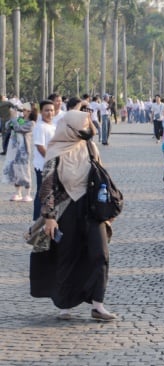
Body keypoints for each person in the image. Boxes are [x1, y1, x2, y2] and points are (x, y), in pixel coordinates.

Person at [31, 110, 117, 321]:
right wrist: (49, 217)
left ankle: (98, 304)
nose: (87, 129)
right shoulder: (55, 151)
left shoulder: (90, 147)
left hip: (91, 209)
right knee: (67, 256)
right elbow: (47, 186)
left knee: (100, 254)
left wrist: (107, 207)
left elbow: (101, 176)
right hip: (66, 209)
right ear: (69, 128)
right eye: (83, 125)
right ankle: (65, 305)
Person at [2, 102, 35, 201]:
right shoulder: (19, 120)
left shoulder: (31, 123)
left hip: (24, 151)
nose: (25, 112)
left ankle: (28, 193)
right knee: (15, 171)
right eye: (24, 110)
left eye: (28, 110)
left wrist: (13, 119)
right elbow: (8, 126)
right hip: (13, 150)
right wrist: (12, 118)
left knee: (25, 171)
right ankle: (18, 192)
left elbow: (18, 128)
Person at [32, 100, 57, 221]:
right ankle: (37, 219)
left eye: (51, 110)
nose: (49, 113)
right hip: (43, 166)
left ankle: (46, 218)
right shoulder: (40, 127)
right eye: (46, 110)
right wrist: (51, 159)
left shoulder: (52, 125)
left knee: (49, 193)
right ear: (41, 111)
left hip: (52, 166)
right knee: (41, 193)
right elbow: (40, 147)